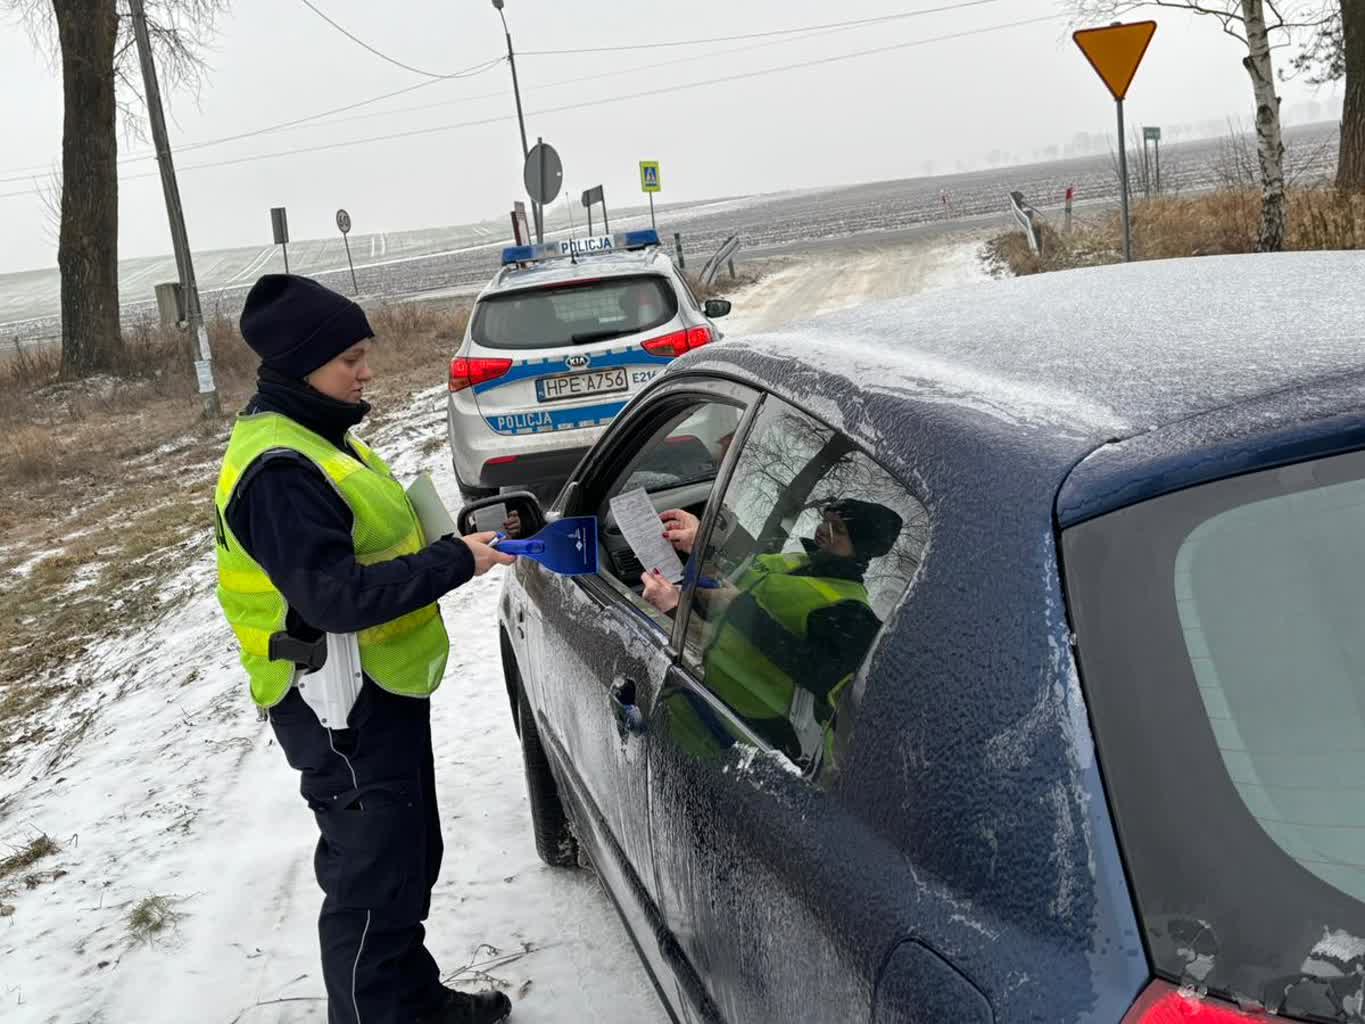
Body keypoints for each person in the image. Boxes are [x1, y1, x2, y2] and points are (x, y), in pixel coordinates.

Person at [213, 274, 516, 1024]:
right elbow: (333, 597)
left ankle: (411, 1002)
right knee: (370, 880)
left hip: (378, 689)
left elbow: (366, 544)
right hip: (336, 705)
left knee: (405, 861)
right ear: (302, 364)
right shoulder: (280, 469)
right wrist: (452, 562)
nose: (366, 371)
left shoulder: (318, 436)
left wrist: (444, 544)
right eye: (350, 358)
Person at [642, 499, 902, 765]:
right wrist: (700, 545)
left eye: (838, 529)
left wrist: (725, 607)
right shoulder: (797, 560)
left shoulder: (852, 613)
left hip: (741, 734)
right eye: (825, 520)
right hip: (701, 691)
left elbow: (820, 674)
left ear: (860, 547)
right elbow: (732, 586)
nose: (823, 529)